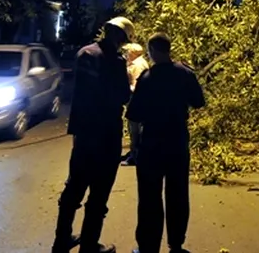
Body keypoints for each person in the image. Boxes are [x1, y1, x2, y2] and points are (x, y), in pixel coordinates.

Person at [52, 17, 133, 253]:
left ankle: (62, 240)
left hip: (84, 133)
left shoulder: (84, 53)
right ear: (120, 38)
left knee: (74, 188)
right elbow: (123, 97)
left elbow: (81, 92)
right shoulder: (115, 62)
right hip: (107, 134)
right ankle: (89, 245)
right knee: (99, 193)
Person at [127, 33, 206, 253]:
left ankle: (148, 247)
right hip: (177, 141)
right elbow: (198, 102)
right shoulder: (185, 74)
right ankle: (176, 244)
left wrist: (135, 146)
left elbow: (133, 114)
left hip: (152, 143)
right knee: (178, 194)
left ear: (151, 51)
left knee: (149, 198)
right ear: (168, 49)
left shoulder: (146, 78)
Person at [121, 43, 151, 167]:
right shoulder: (139, 62)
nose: (126, 54)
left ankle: (135, 156)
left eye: (127, 51)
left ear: (133, 52)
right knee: (136, 129)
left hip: (136, 101)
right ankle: (136, 154)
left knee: (135, 130)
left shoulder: (137, 65)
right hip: (139, 101)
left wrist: (123, 85)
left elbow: (136, 86)